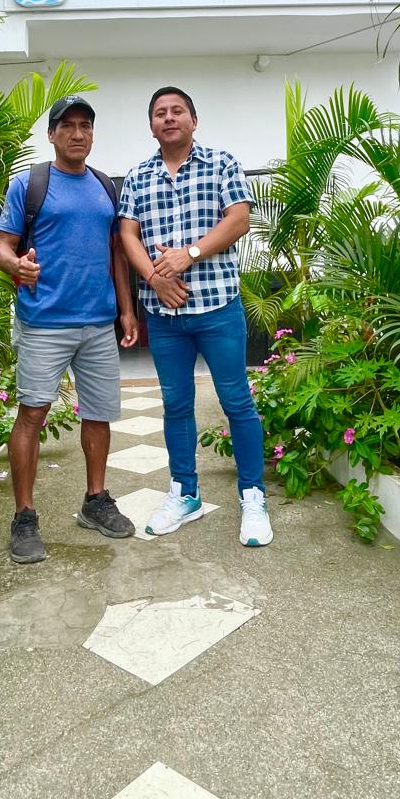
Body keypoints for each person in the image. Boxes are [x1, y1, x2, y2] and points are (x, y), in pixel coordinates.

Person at [118, 86, 272, 547]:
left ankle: (252, 496)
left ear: (193, 120)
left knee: (237, 402)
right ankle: (185, 493)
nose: (169, 118)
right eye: (160, 113)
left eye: (177, 111)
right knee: (176, 404)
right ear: (151, 126)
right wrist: (155, 278)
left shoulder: (222, 163)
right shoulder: (138, 176)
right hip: (164, 315)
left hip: (218, 307)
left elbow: (239, 219)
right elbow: (127, 234)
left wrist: (188, 254)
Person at [0, 96, 138, 563]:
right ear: (52, 135)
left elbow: (117, 253)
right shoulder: (29, 184)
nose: (78, 134)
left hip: (97, 322)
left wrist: (126, 311)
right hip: (44, 323)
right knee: (32, 414)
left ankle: (96, 500)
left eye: (86, 126)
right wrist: (17, 265)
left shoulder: (104, 187)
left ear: (92, 134)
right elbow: (3, 246)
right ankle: (24, 517)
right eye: (68, 126)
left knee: (98, 414)